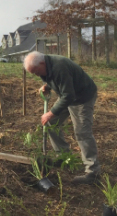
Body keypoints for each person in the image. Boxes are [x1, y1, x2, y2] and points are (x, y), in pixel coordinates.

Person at [23, 51, 100, 184]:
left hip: (82, 97)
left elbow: (68, 95)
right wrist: (47, 86)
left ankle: (93, 172)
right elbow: (57, 81)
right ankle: (64, 156)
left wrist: (51, 112)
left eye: (36, 72)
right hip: (69, 95)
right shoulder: (47, 66)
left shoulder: (59, 66)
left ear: (41, 63)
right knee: (51, 123)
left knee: (82, 132)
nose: (37, 75)